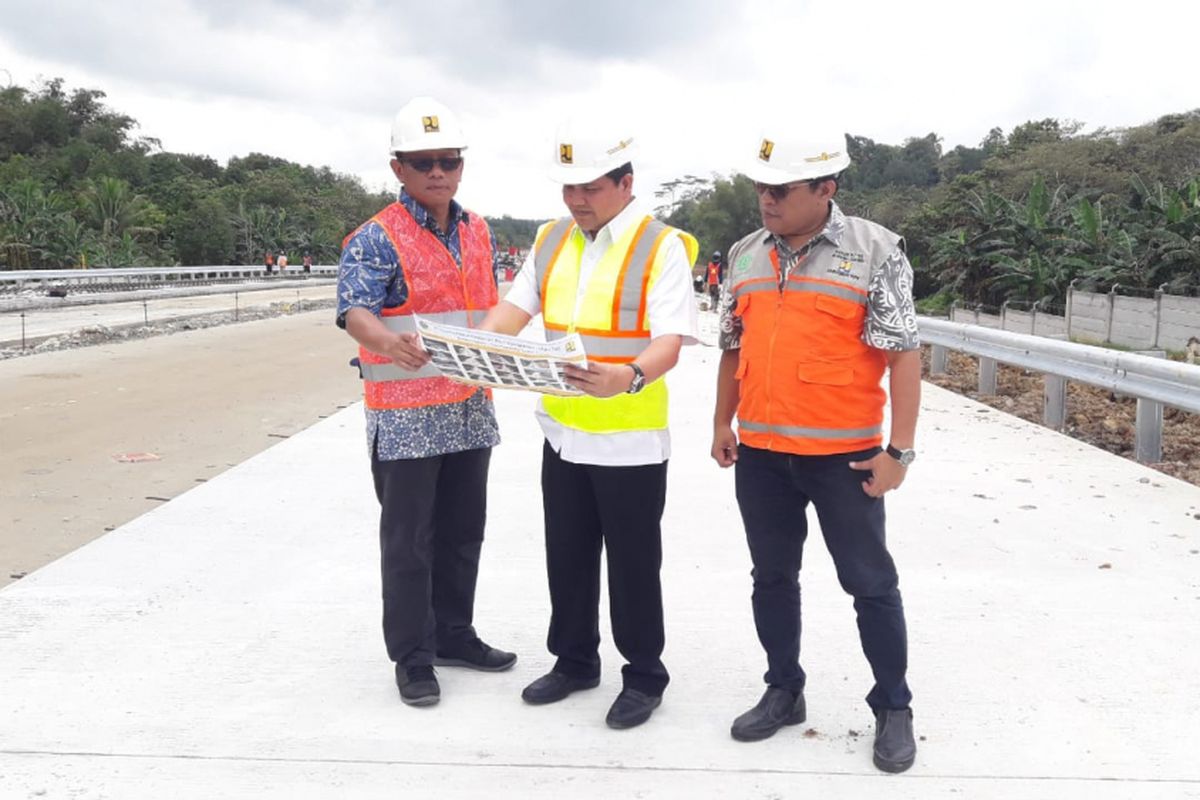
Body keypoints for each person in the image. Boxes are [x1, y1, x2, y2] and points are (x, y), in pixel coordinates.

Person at [710, 128, 921, 773]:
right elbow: (733, 346)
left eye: (780, 189)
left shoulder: (875, 251)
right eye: (760, 187)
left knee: (869, 584)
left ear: (826, 189)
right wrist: (723, 421)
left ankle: (893, 706)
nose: (765, 199)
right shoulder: (746, 253)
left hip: (845, 459)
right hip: (764, 457)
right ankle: (784, 689)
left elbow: (904, 354)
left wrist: (899, 454)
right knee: (771, 578)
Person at [481, 115, 699, 730]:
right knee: (568, 556)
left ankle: (644, 676)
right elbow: (513, 311)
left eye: (591, 187)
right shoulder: (551, 239)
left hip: (629, 439)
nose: (577, 200)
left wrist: (626, 375)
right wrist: (469, 347)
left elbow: (669, 343)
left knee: (633, 565)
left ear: (626, 183)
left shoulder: (662, 247)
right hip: (563, 433)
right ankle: (574, 661)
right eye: (568, 188)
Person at [335, 96, 515, 708]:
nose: (437, 172)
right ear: (399, 169)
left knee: (464, 533)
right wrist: (385, 340)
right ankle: (413, 657)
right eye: (423, 162)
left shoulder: (478, 230)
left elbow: (488, 308)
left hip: (468, 404)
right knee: (409, 542)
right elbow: (353, 309)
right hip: (407, 413)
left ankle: (455, 635)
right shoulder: (375, 238)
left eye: (448, 160)